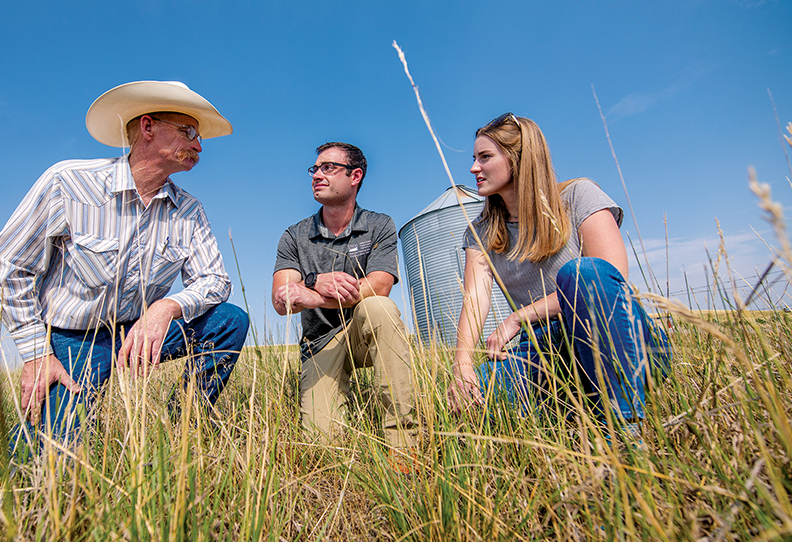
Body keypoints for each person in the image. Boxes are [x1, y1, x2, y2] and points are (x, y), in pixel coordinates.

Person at [0, 80, 249, 453]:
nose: (198, 144)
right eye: (188, 131)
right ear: (147, 127)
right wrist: (36, 353)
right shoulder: (70, 183)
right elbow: (9, 267)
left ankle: (183, 433)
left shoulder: (190, 210)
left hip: (140, 333)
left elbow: (215, 280)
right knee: (54, 461)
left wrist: (166, 307)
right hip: (71, 339)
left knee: (229, 320)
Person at [448, 113, 670, 428]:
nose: (474, 168)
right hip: (544, 350)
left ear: (518, 158)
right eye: (474, 158)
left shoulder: (579, 196)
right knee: (476, 401)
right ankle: (570, 407)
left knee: (583, 273)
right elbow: (474, 298)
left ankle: (622, 429)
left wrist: (519, 317)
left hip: (617, 339)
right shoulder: (481, 233)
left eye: (485, 157)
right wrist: (463, 365)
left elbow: (609, 277)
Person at [272, 142, 418, 449]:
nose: (316, 175)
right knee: (322, 442)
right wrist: (315, 281)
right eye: (315, 169)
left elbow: (379, 286)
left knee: (380, 307)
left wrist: (314, 297)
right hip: (320, 342)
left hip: (363, 332)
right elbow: (281, 300)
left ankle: (404, 445)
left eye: (328, 168)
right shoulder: (295, 236)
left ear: (355, 176)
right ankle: (342, 399)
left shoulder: (379, 225)